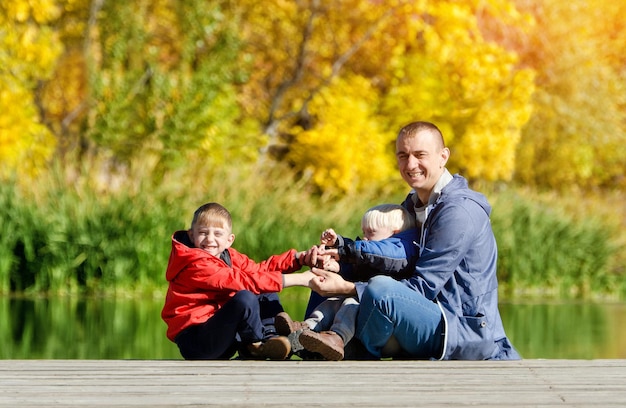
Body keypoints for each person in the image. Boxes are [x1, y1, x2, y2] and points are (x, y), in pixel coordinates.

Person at [307, 121, 520, 360]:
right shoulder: (414, 204)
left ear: (443, 156)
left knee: (380, 290)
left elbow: (424, 286)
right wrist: (341, 256)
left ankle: (348, 348)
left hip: (462, 328)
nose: (410, 165)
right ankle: (305, 339)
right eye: (403, 155)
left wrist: (348, 288)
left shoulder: (458, 211)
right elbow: (393, 258)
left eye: (420, 155)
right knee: (330, 269)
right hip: (425, 316)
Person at [161, 202, 315, 360]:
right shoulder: (194, 264)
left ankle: (271, 339)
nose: (209, 239)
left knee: (266, 287)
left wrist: (299, 259)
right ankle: (257, 343)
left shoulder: (228, 256)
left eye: (218, 234)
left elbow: (260, 271)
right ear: (192, 235)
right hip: (198, 342)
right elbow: (241, 280)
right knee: (246, 297)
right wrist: (301, 279)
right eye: (203, 232)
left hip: (222, 337)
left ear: (229, 240)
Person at [275, 204, 419, 360]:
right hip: (357, 305)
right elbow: (359, 267)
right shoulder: (371, 256)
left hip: (375, 319)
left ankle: (337, 337)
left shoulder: (398, 261)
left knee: (350, 303)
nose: (364, 238)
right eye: (363, 232)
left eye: (371, 233)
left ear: (394, 234)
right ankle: (304, 329)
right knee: (331, 303)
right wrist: (338, 263)